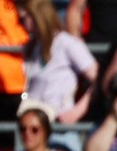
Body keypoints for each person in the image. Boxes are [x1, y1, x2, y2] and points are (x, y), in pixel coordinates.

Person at [17, 0, 98, 130]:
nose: (19, 24)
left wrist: (77, 111)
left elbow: (99, 78)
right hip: (34, 128)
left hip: (59, 128)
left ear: (37, 16)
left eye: (22, 19)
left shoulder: (66, 43)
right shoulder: (32, 46)